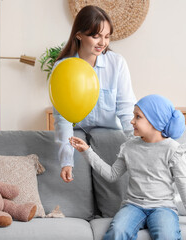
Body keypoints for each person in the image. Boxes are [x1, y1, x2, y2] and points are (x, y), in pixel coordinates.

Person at [69, 94, 186, 240]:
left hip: (164, 208)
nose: (131, 121)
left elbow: (183, 186)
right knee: (117, 232)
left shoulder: (173, 149)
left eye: (138, 117)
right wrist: (87, 151)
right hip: (133, 206)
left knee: (167, 236)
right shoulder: (129, 147)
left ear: (155, 121)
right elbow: (111, 174)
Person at [53, 5, 136, 183]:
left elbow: (126, 108)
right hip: (77, 134)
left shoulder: (117, 63)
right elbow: (63, 118)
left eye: (106, 37)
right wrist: (66, 160)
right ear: (79, 34)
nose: (102, 43)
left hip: (109, 133)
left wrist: (138, 144)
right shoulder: (62, 68)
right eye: (95, 36)